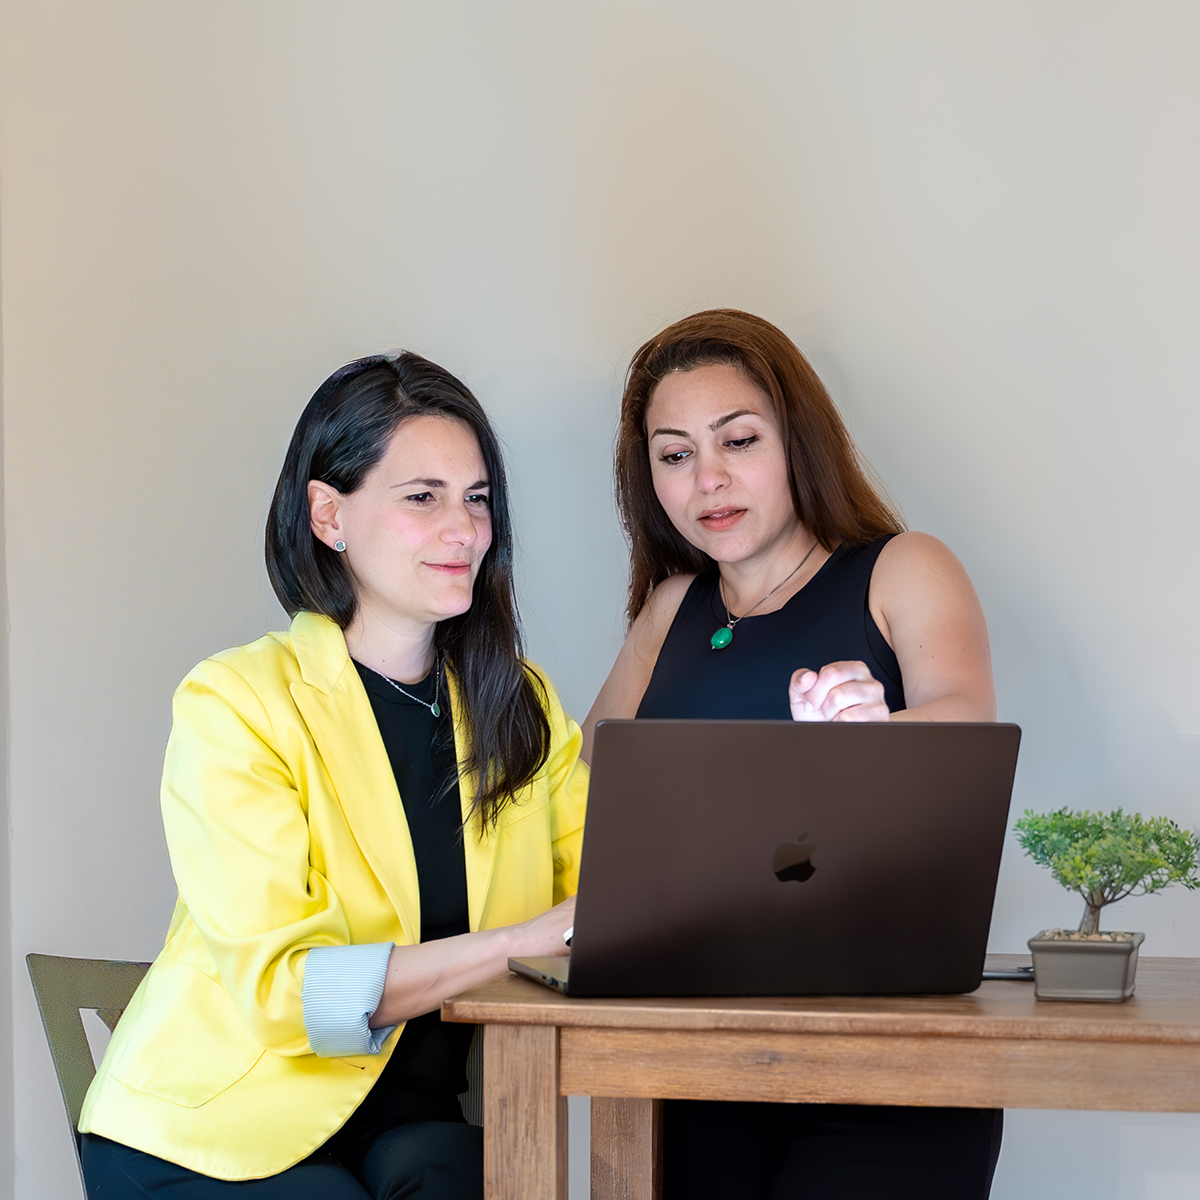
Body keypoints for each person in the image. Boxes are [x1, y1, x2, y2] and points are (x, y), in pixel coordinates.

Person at [79, 353, 586, 1199]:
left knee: (490, 1174)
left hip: (410, 1126)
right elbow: (288, 993)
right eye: (422, 497)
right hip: (213, 1133)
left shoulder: (518, 705)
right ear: (328, 514)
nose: (463, 530)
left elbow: (619, 893)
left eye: (477, 498)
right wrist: (514, 944)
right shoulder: (235, 701)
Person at [584, 309, 1000, 1199]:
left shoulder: (900, 568)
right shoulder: (670, 611)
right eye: (674, 454)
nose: (709, 478)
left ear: (798, 440)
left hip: (894, 1055)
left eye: (738, 439)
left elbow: (965, 718)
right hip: (691, 1056)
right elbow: (588, 790)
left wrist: (873, 741)